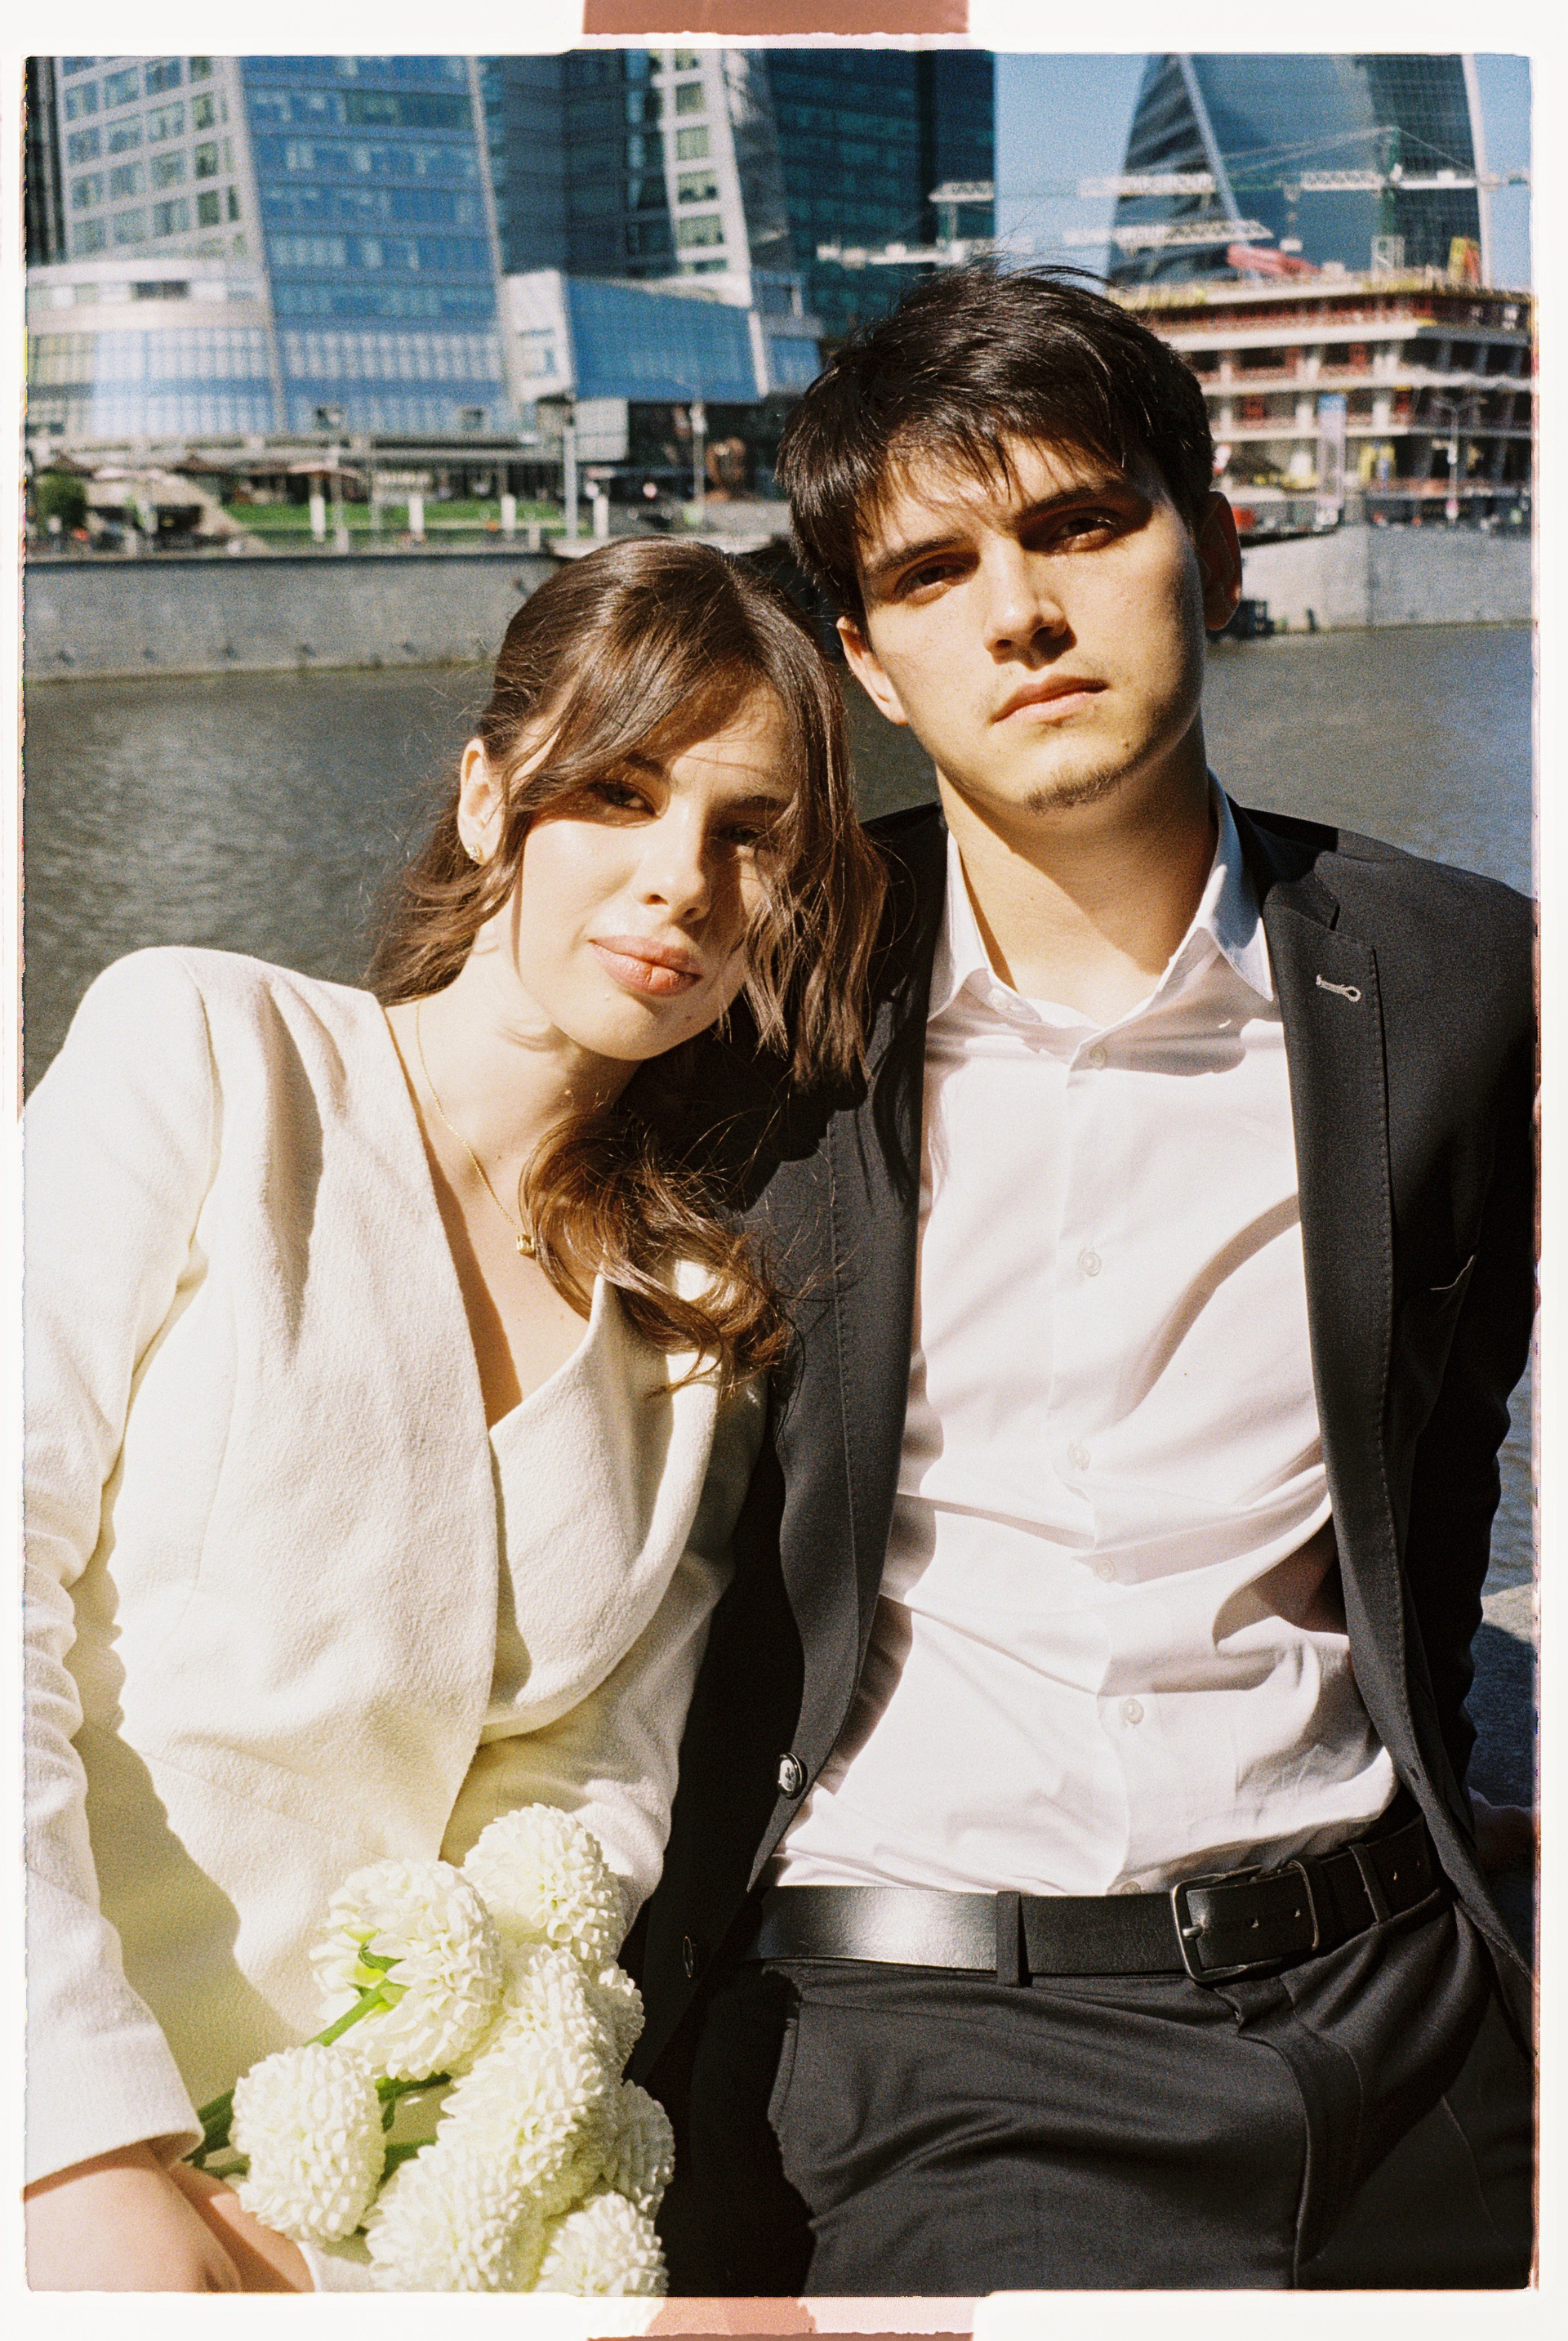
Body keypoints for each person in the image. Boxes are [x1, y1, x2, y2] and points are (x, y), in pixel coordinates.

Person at [630, 270, 1536, 2292]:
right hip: (943, 2042)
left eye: (1081, 525)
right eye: (933, 574)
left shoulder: (1466, 974)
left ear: (1215, 546)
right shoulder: (745, 1010)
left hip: (1409, 2006)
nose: (1019, 614)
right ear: (868, 664)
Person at [22, 537, 886, 2291]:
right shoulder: (210, 1054)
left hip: (358, 2223)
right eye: (620, 792)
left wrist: (409, 2186)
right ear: (490, 799)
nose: (681, 880)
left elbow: (580, 1813)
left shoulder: (692, 1330)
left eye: (749, 833)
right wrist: (81, 2143)